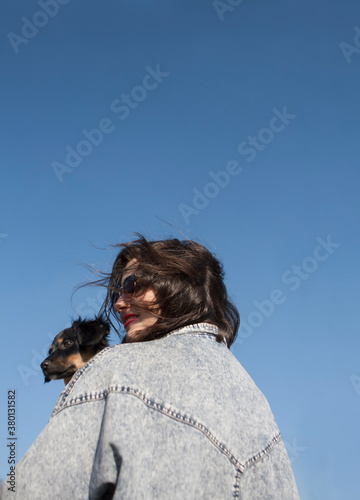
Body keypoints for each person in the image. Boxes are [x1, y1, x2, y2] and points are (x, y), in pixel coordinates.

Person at [7, 235, 300, 499]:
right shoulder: (257, 404)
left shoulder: (114, 369)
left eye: (131, 285)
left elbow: (32, 491)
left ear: (178, 284)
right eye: (118, 292)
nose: (120, 303)